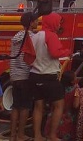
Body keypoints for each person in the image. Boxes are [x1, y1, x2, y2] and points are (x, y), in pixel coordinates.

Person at [29, 12, 72, 141]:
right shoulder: (51, 35)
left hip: (35, 75)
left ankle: (37, 136)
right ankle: (52, 135)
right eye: (58, 22)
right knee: (59, 105)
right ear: (52, 22)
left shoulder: (35, 36)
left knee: (38, 107)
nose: (59, 25)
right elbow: (54, 53)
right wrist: (67, 51)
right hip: (49, 76)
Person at [10, 12, 37, 141]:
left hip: (14, 76)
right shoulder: (31, 37)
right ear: (31, 23)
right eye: (36, 21)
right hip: (25, 76)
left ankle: (12, 135)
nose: (37, 23)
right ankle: (21, 134)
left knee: (16, 106)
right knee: (25, 106)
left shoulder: (16, 36)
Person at [52, 71, 78, 141]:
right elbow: (76, 105)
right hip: (69, 119)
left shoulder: (57, 88)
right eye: (75, 77)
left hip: (53, 118)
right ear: (72, 81)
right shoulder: (76, 89)